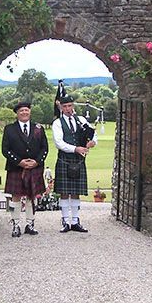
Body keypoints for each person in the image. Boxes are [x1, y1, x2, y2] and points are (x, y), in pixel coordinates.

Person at [2, 101, 49, 237]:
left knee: (32, 196)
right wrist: (19, 162)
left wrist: (37, 162)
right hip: (16, 168)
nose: (24, 113)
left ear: (30, 112)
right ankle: (16, 225)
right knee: (15, 197)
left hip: (34, 167)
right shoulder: (9, 129)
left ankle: (30, 224)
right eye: (21, 111)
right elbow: (5, 150)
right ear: (17, 113)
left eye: (26, 110)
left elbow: (44, 148)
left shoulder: (38, 128)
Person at [52, 95, 97, 233]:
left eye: (70, 106)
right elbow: (59, 143)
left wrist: (92, 142)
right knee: (64, 192)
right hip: (65, 160)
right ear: (61, 108)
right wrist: (75, 149)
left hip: (79, 161)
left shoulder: (81, 120)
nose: (68, 109)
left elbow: (92, 134)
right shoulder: (58, 123)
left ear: (73, 106)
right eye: (65, 106)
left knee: (76, 192)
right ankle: (65, 221)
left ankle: (75, 221)